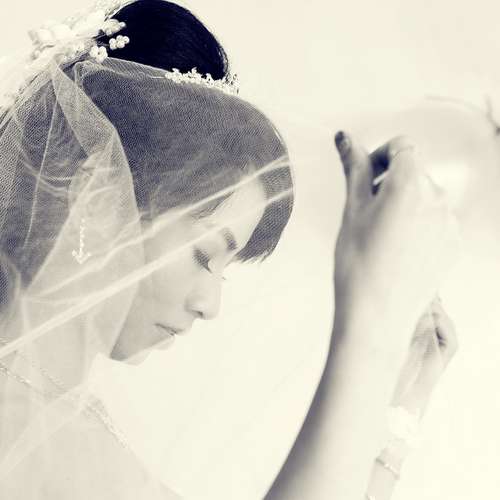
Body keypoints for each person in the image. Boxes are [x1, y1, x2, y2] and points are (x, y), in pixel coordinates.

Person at [0, 1, 460, 499]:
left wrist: (401, 408)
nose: (210, 305)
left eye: (223, 272)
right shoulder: (27, 425)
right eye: (204, 254)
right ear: (97, 202)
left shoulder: (57, 422)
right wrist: (372, 317)